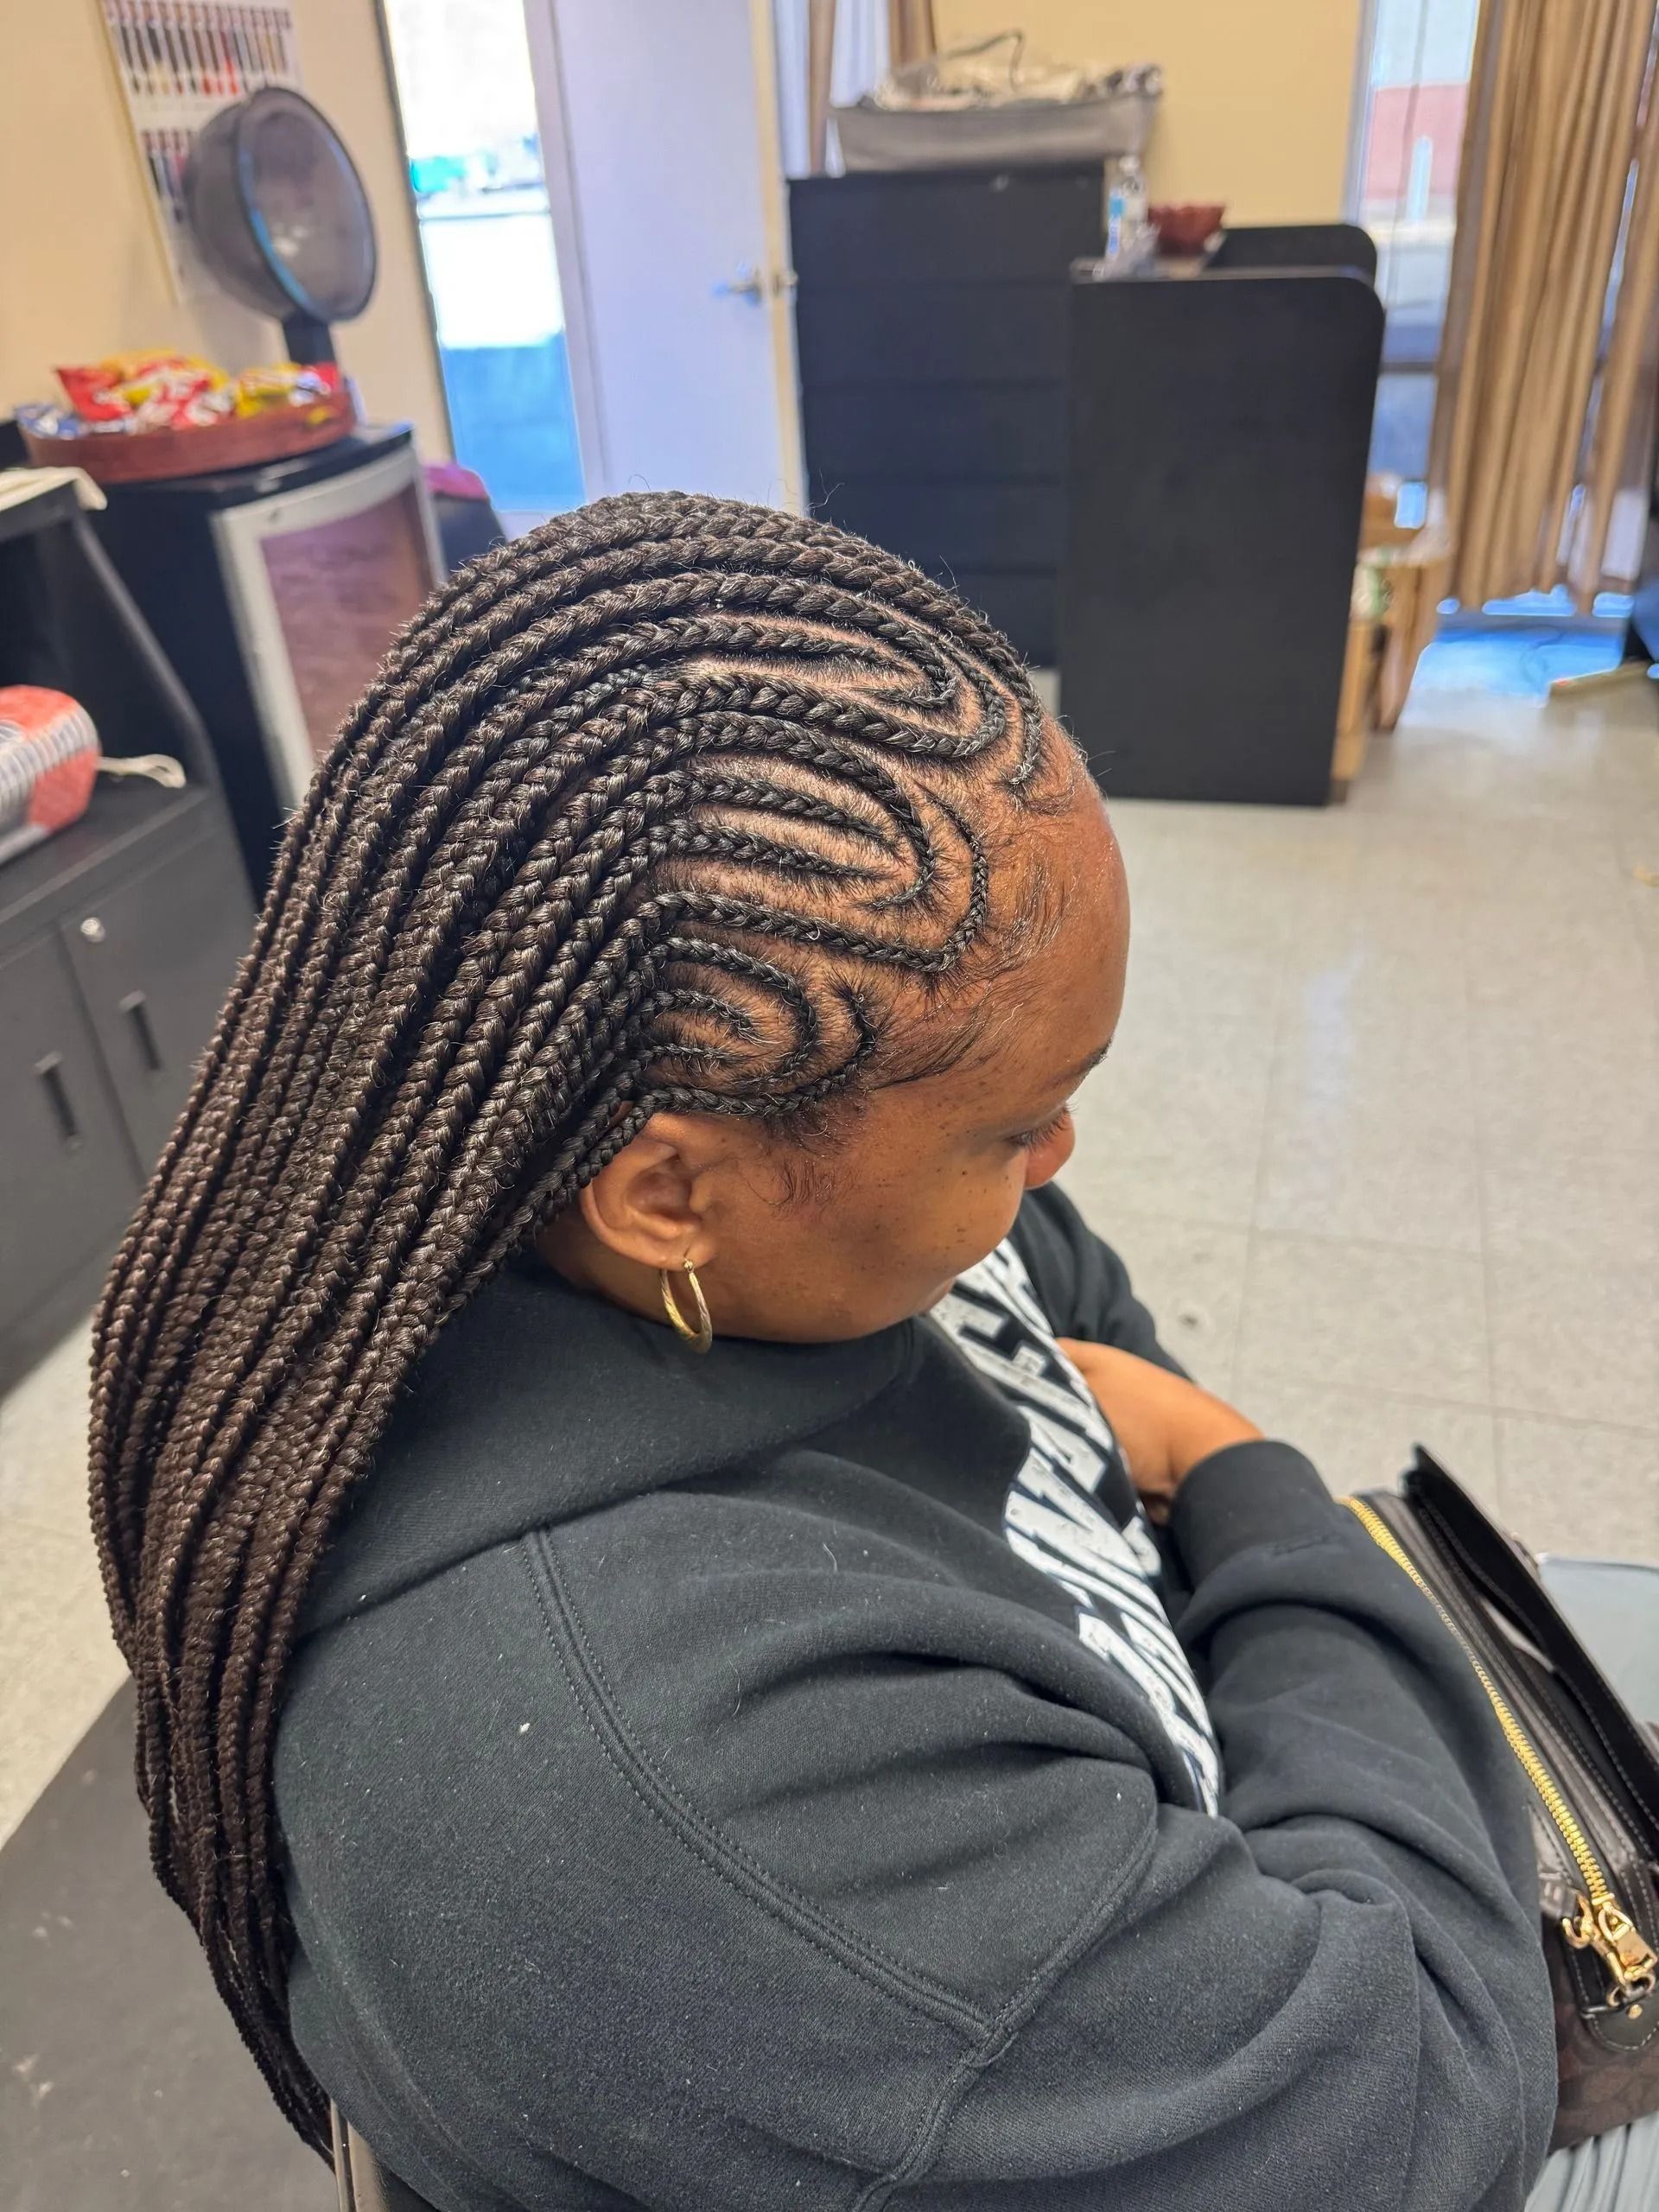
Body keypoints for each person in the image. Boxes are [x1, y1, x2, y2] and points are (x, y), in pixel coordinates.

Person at [89, 495, 1650, 2210]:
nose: (1057, 1167)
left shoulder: (722, 1215)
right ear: (671, 1188)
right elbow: (1427, 2093)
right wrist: (1245, 1481)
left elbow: (1075, 1301)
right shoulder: (664, 1786)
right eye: (1016, 1124)